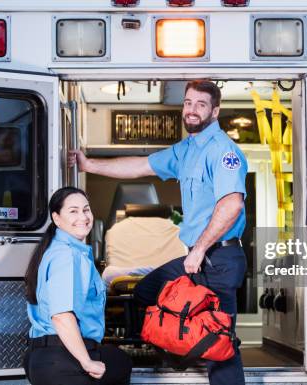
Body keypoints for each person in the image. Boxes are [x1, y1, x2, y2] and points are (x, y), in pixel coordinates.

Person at [68, 80, 248, 385]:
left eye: (201, 104)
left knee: (221, 343)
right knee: (146, 291)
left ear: (215, 111)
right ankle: (185, 350)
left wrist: (200, 250)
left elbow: (232, 204)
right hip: (199, 256)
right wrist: (89, 165)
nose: (192, 110)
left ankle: (204, 348)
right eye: (188, 102)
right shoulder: (187, 150)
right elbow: (140, 166)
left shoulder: (223, 151)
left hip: (220, 257)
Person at [23, 187, 132, 385]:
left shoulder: (62, 250)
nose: (83, 216)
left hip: (47, 357)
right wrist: (87, 362)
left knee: (118, 360)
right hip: (62, 360)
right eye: (73, 211)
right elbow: (61, 316)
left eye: (86, 209)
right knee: (120, 363)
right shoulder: (66, 255)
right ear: (56, 218)